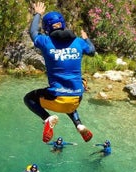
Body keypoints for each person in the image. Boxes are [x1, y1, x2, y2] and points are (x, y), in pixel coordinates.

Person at [23, 2, 96, 144]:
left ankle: (47, 118)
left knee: (28, 99)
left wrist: (37, 13)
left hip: (56, 97)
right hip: (76, 100)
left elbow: (33, 33)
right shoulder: (79, 42)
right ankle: (79, 124)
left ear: (46, 27)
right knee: (68, 96)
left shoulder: (45, 41)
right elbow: (92, 51)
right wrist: (86, 38)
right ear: (63, 24)